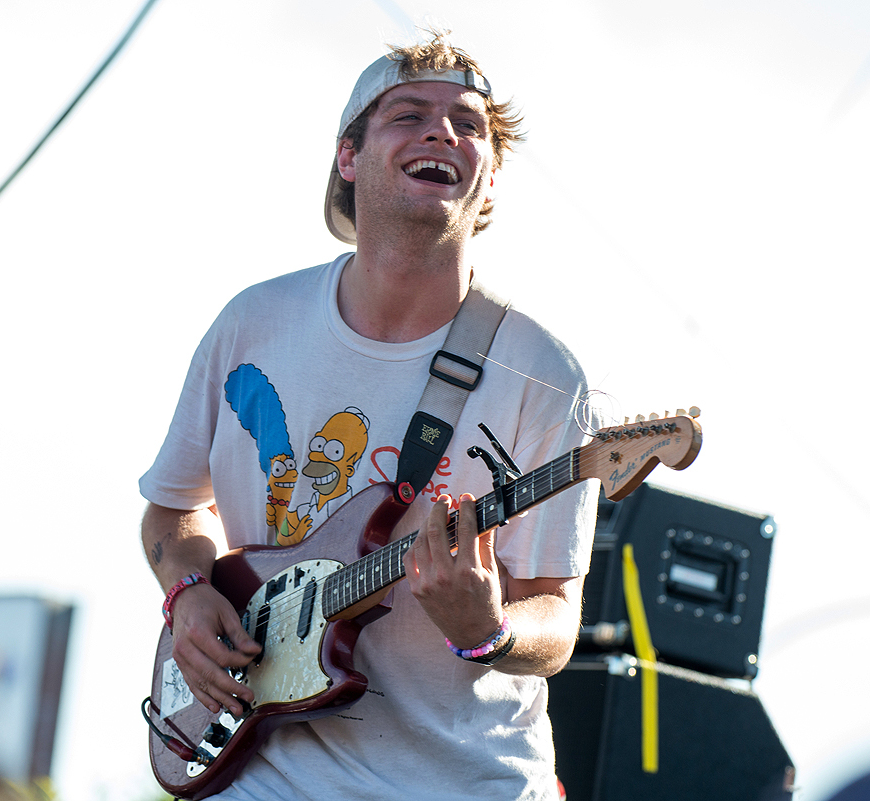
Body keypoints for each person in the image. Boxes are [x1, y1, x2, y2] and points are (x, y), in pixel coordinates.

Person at [139, 31, 599, 800]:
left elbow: (556, 617)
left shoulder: (544, 375)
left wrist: (488, 628)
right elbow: (171, 513)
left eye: (469, 125)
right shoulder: (253, 324)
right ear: (349, 158)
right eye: (409, 114)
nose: (442, 132)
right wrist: (187, 595)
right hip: (264, 772)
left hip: (467, 781)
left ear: (488, 181)